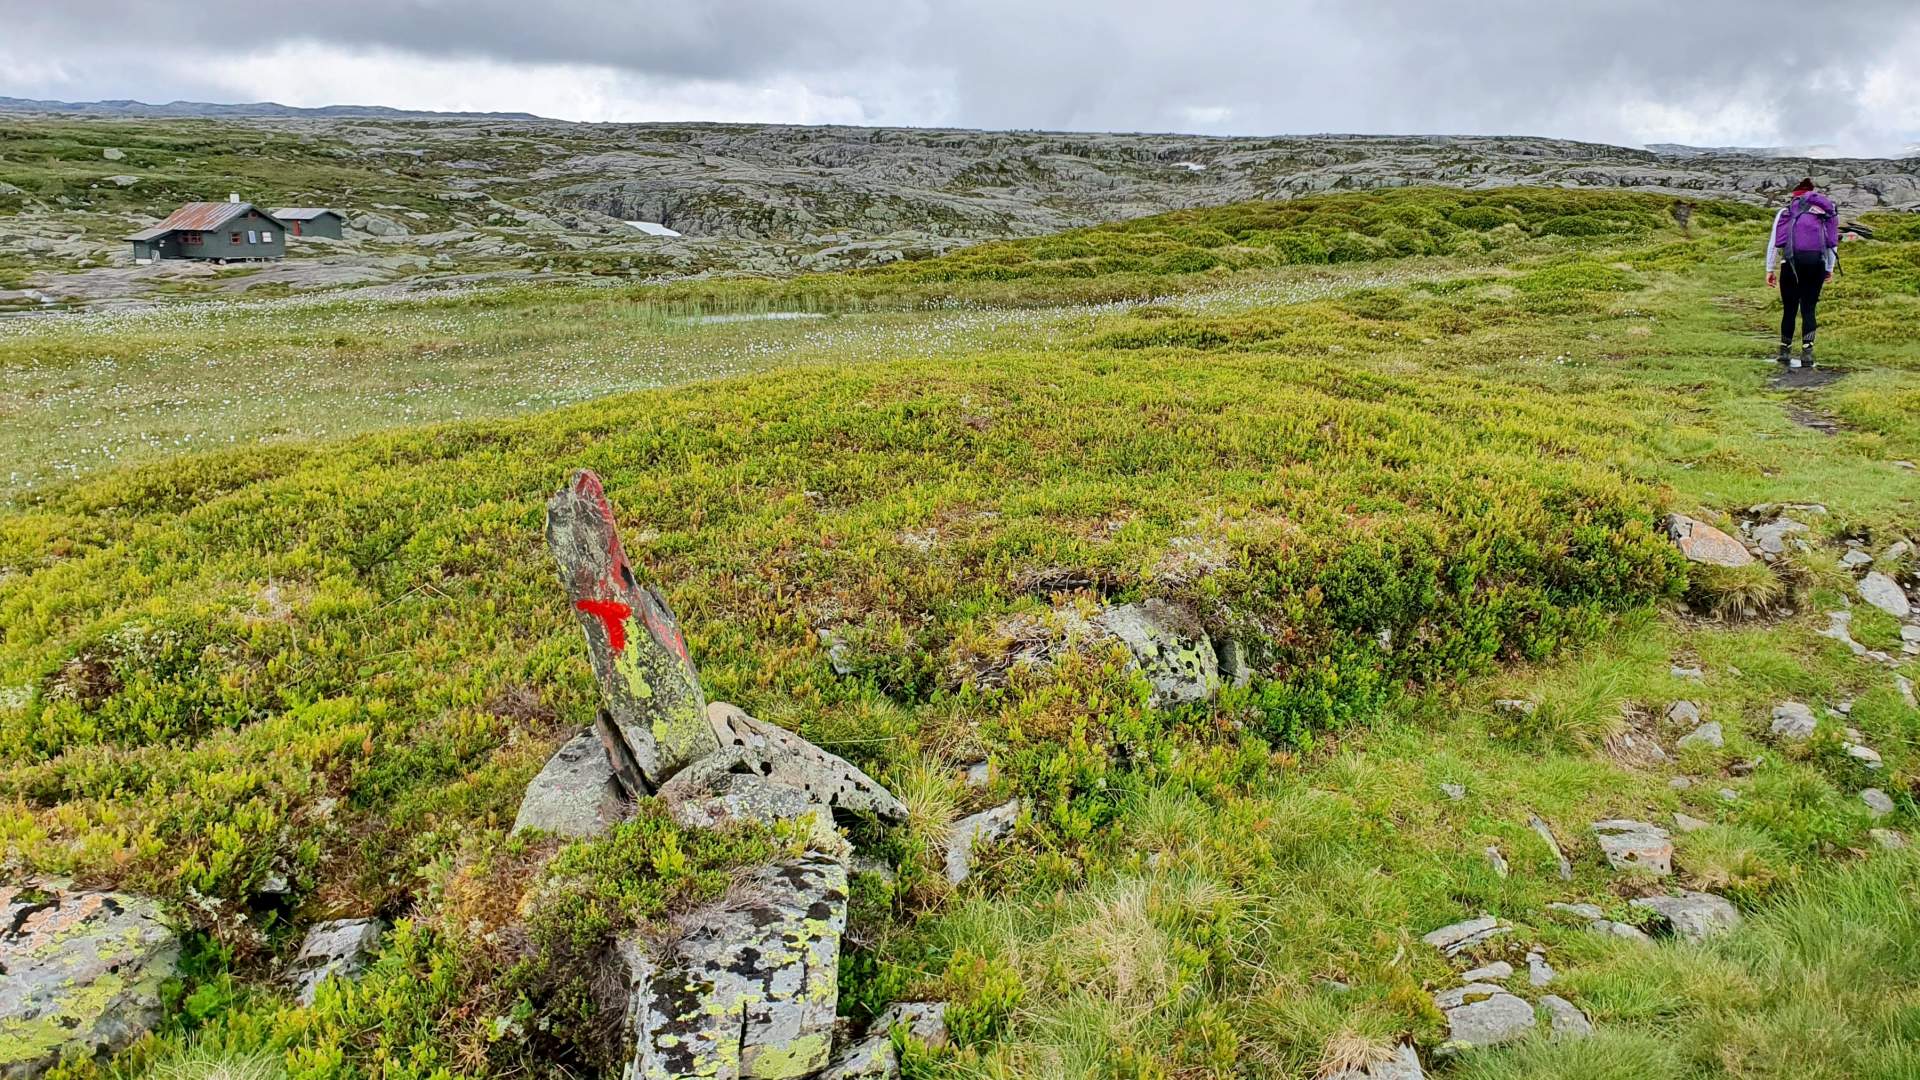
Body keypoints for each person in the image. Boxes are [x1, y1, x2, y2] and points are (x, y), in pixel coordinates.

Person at [1764, 178, 1839, 368]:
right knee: (1809, 308)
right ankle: (1807, 353)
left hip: (1790, 263)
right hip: (1817, 264)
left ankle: (1784, 351)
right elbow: (1832, 244)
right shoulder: (1825, 212)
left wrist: (1770, 269)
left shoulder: (1786, 211)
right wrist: (1829, 268)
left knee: (1789, 309)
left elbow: (1774, 243)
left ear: (1795, 195)